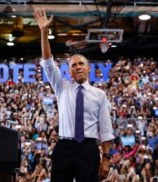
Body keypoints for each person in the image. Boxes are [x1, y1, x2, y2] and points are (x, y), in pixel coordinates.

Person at [33, 8, 114, 182]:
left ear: (88, 68)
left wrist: (106, 160)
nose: (78, 67)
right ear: (69, 72)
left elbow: (106, 130)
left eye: (81, 64)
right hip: (65, 146)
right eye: (74, 65)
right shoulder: (61, 87)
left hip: (88, 148)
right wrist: (44, 33)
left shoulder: (99, 95)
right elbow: (47, 63)